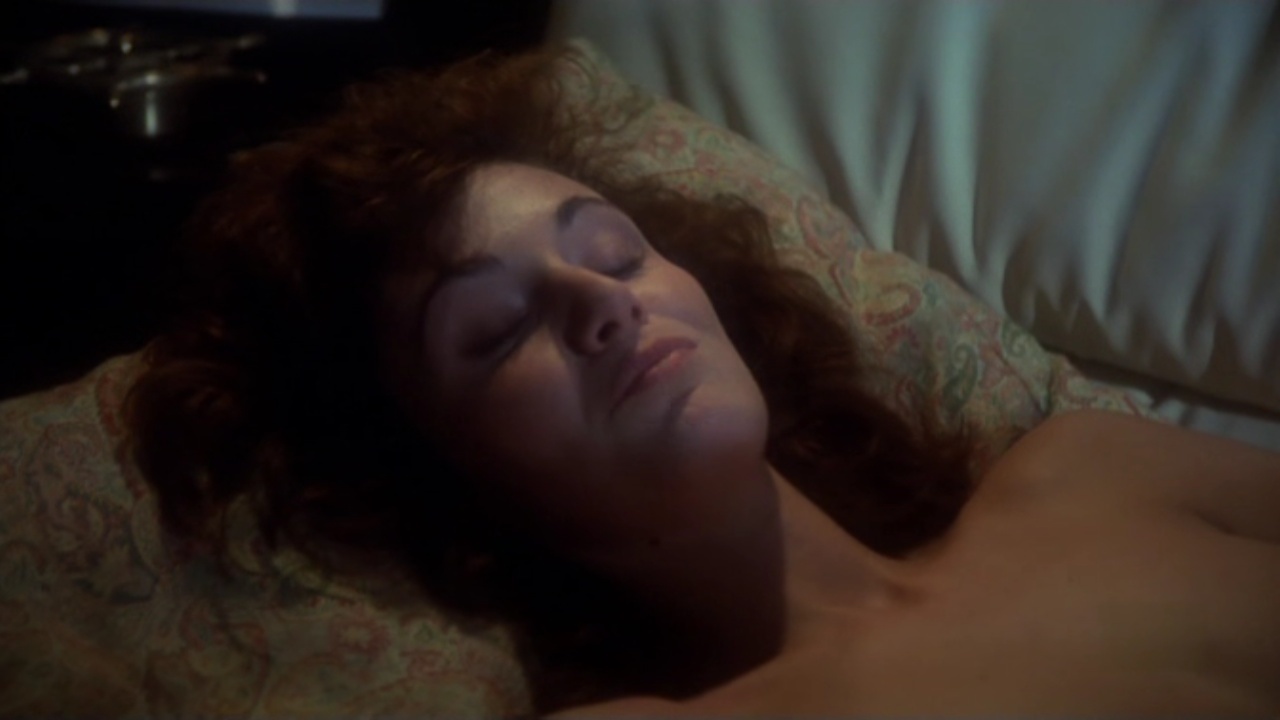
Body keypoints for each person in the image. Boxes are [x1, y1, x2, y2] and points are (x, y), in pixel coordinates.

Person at [126, 47, 1280, 716]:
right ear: (436, 474)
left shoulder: (1089, 470)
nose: (600, 300)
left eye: (613, 249)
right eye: (493, 329)